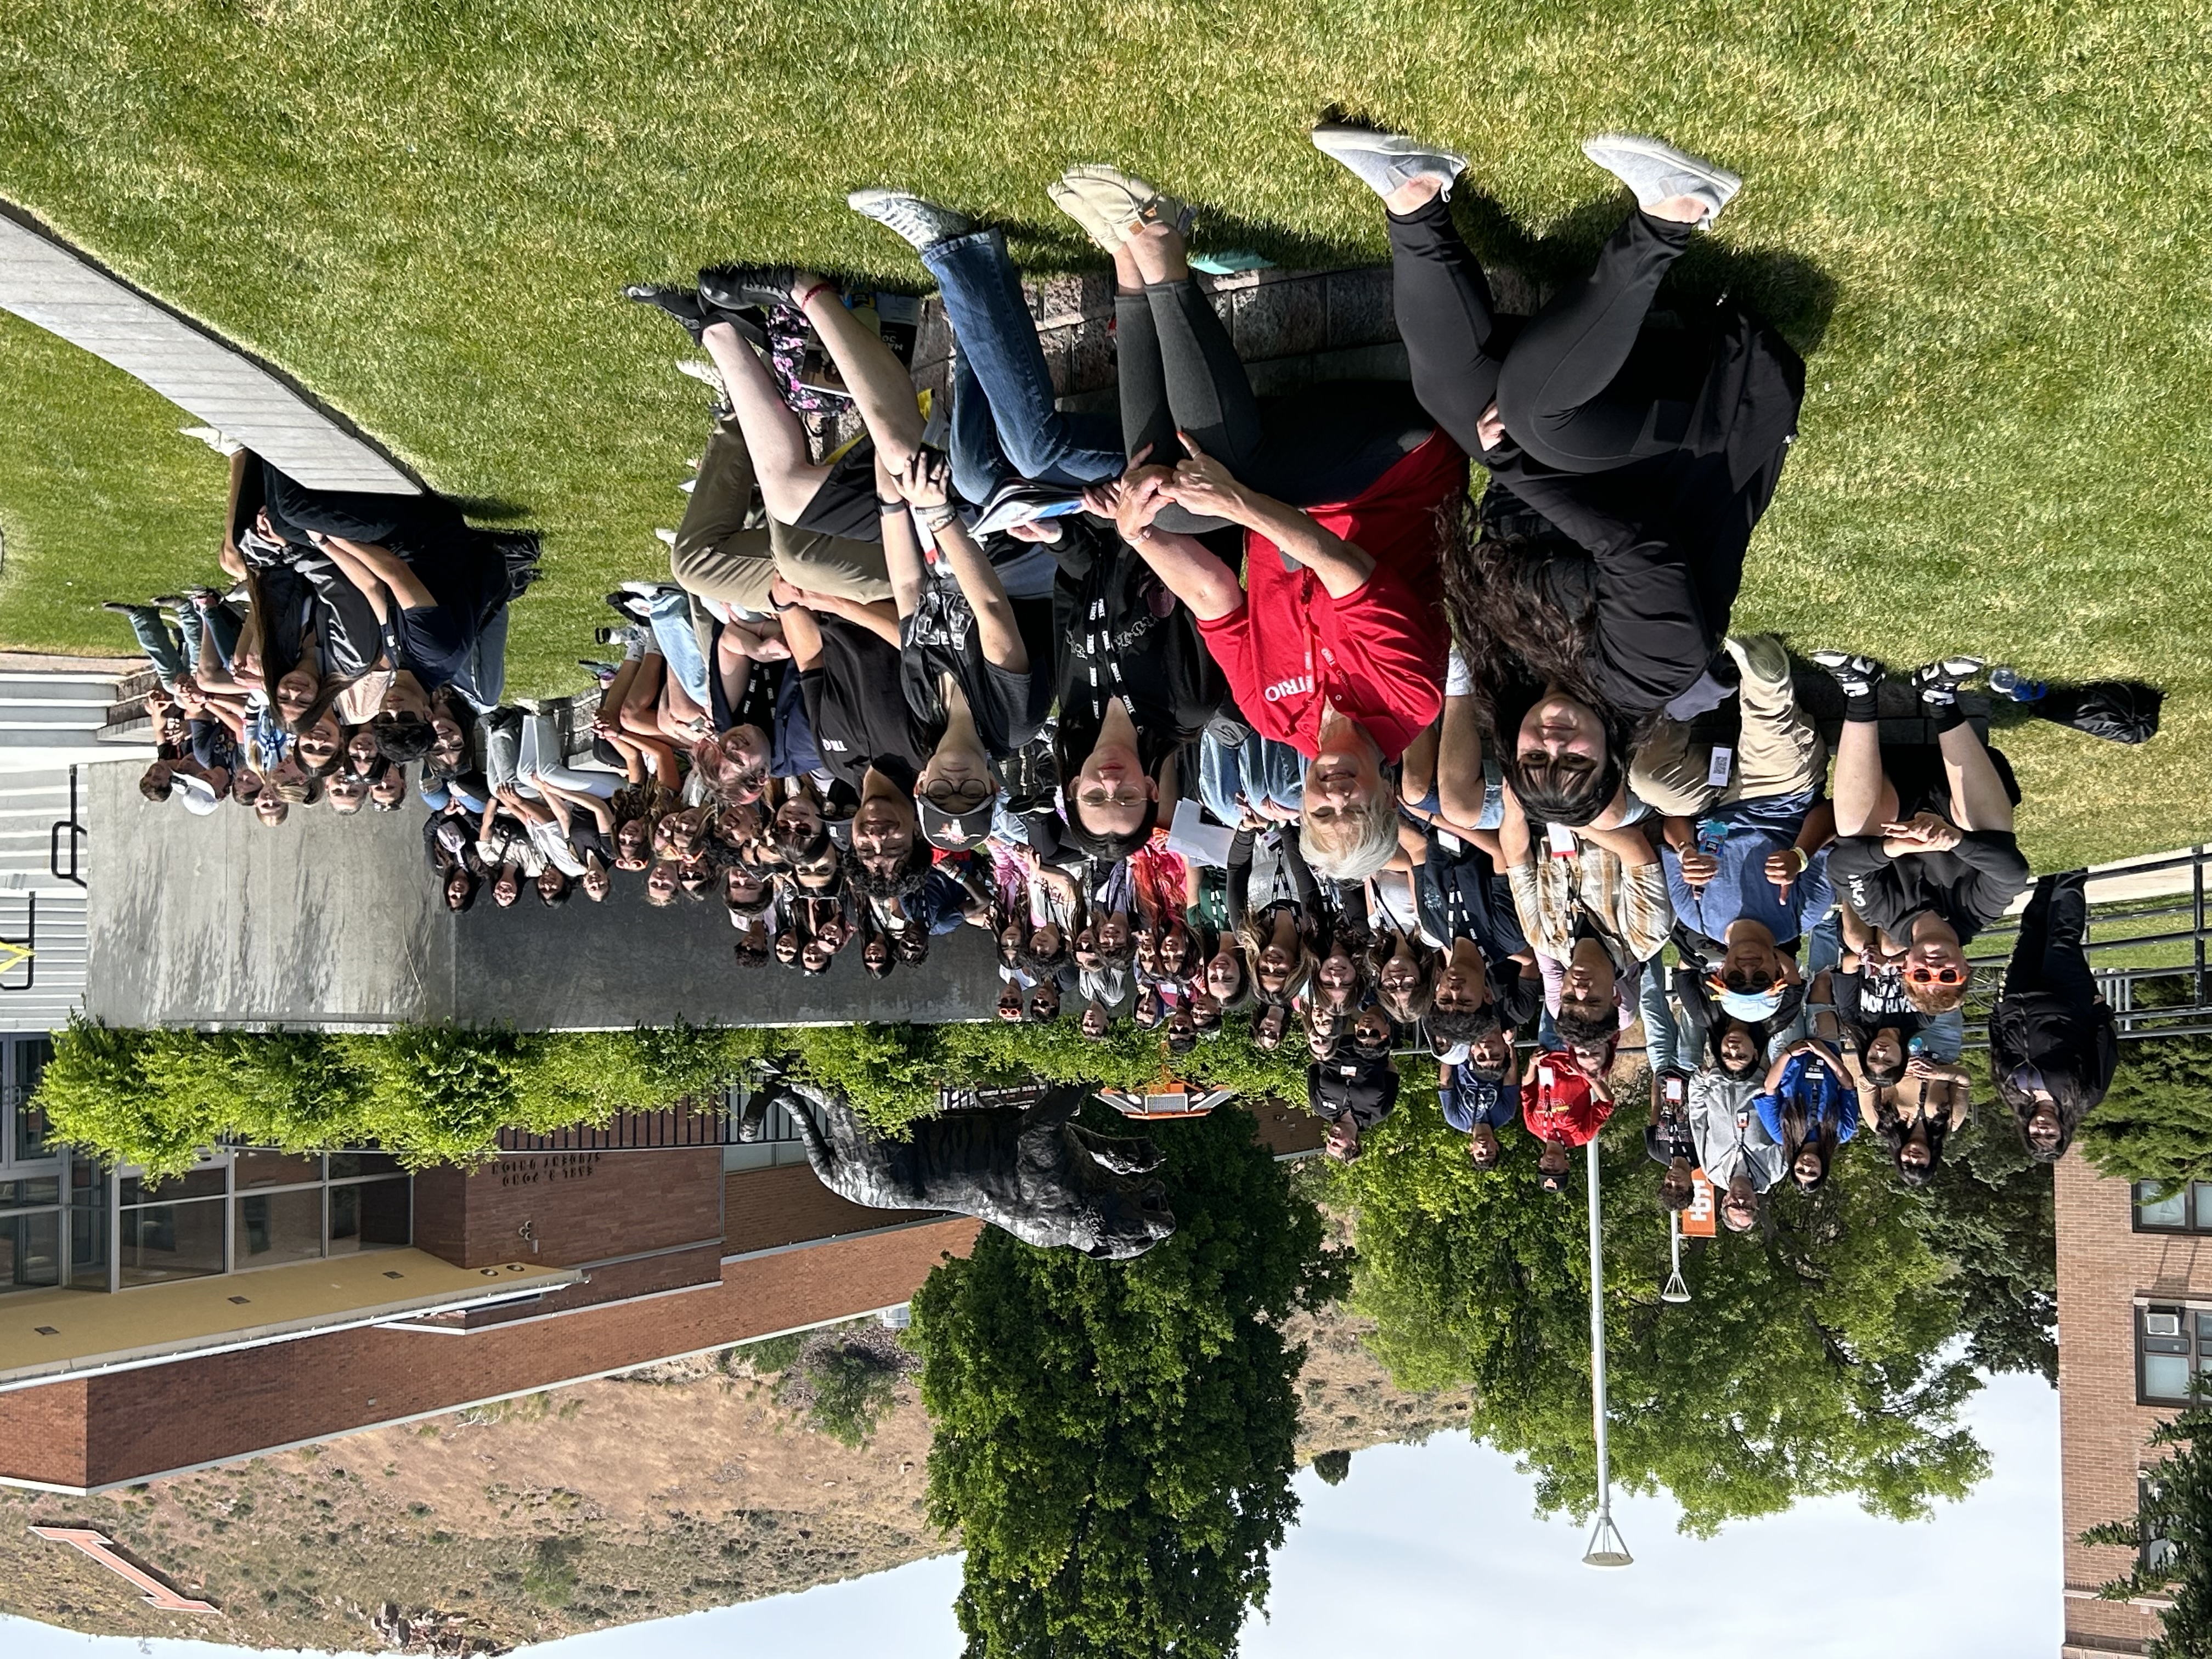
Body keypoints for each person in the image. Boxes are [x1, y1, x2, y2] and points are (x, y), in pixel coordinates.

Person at [1314, 125, 1804, 827]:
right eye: (1577, 761)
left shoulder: (1512, 662)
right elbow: (1634, 543)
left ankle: (1414, 193)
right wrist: (1510, 459)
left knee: (1456, 398)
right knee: (1537, 419)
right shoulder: (1650, 673)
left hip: (1594, 417)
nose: (1553, 744)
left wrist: (1494, 448)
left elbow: (1512, 511)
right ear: (1613, 751)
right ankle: (1678, 209)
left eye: (1535, 760)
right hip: (1709, 413)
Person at [1056, 163, 1462, 881]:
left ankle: (1131, 258)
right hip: (1390, 467)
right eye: (1354, 809)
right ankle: (1157, 239)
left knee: (1154, 492)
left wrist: (1139, 534)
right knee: (1225, 473)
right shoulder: (1412, 698)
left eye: (1320, 812)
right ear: (1387, 799)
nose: (1334, 796)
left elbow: (1215, 601)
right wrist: (1236, 502)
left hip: (1291, 485)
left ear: (1300, 805)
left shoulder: (1278, 721)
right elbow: (1340, 566)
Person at [1813, 652, 2033, 1013]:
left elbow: (1841, 869)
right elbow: (2014, 874)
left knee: (1853, 833)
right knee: (1992, 834)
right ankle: (1940, 698)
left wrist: (1894, 847)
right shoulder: (1977, 912)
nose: (1935, 969)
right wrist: (1954, 841)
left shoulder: (1881, 915)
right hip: (1958, 787)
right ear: (1964, 967)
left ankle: (1861, 692)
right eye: (1948, 977)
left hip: (1889, 786)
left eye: (1922, 977)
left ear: (1907, 968)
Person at [1646, 634, 1836, 959]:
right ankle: (1758, 669)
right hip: (1779, 794)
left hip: (1709, 801)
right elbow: (1834, 816)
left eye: (1738, 980)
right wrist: (1800, 857)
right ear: (1779, 972)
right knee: (1771, 719)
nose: (1749, 970)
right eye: (1760, 979)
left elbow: (1674, 820)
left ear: (1722, 974)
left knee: (1651, 782)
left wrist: (1686, 851)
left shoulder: (1698, 918)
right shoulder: (1803, 915)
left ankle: (1692, 685)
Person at [1496, 786, 1671, 1049]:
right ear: (1615, 998)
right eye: (1593, 1000)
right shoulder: (1644, 939)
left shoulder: (1542, 939)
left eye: (1569, 998)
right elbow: (1635, 847)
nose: (1580, 989)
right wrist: (1565, 817)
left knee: (1457, 805)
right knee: (1607, 815)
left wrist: (1514, 811)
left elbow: (1517, 858)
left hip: (1543, 813)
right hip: (1617, 812)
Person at [1991, 868, 2117, 1161]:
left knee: (2031, 935)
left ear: (2027, 1131)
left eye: (2036, 1135)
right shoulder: (2084, 1097)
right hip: (2068, 1002)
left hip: (2020, 1000)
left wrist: (1999, 1016)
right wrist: (2101, 1014)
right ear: (2064, 1132)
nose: (2043, 1129)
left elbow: (1998, 1054)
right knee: (2062, 938)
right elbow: (2105, 1054)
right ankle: (2072, 874)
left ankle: (2050, 877)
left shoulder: (2014, 1096)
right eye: (2050, 1136)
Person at [1686, 1058, 1787, 1231]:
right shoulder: (1774, 1171)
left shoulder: (1711, 1169)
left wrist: (1699, 1081)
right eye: (1747, 1207)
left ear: (1725, 1201)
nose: (1742, 1201)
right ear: (1756, 1204)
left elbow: (1698, 1121)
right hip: (1761, 1069)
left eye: (1736, 1206)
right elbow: (1789, 1123)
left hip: (1716, 1069)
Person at [1753, 1039, 1860, 1190]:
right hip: (1827, 1051)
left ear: (1793, 1166)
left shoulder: (1780, 1134)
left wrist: (1787, 1054)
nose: (1807, 1167)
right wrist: (1823, 1051)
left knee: (1786, 1016)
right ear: (1823, 1171)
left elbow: (1770, 1089)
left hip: (1788, 1053)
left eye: (1800, 1170)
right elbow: (1848, 1086)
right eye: (1813, 1173)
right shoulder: (1842, 1133)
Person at [1522, 1049, 1613, 1194]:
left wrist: (1532, 1063)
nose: (1550, 1165)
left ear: (1540, 1162)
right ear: (1567, 1165)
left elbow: (1527, 1089)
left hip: (1547, 1052)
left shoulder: (1532, 1127)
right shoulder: (1581, 1136)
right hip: (1578, 1057)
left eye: (1546, 1168)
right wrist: (1587, 1076)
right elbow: (1607, 1103)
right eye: (1556, 1169)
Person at [1308, 1045, 1400, 1163]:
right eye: (1336, 1144)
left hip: (1336, 1039)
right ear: (1353, 1145)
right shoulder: (1380, 1112)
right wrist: (1380, 1050)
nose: (1332, 1138)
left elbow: (1313, 1068)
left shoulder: (1319, 1107)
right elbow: (1392, 1074)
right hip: (1370, 1041)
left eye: (1329, 1141)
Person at [1647, 1071, 1700, 1210]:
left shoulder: (1656, 1151)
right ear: (1691, 1185)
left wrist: (1655, 1073)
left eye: (1668, 1185)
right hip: (1693, 1075)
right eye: (1680, 1187)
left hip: (1665, 1075)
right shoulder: (1703, 1156)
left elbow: (1656, 1108)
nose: (1673, 1181)